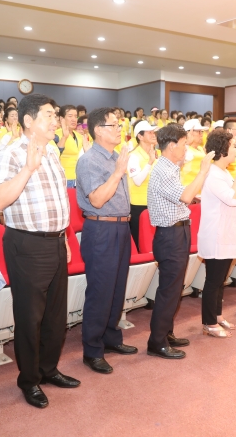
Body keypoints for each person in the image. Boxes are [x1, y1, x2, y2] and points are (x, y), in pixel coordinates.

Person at [0, 94, 80, 409]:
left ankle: (49, 369)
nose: (56, 120)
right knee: (30, 317)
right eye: (49, 115)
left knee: (56, 316)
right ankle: (28, 380)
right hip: (27, 245)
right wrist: (28, 169)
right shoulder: (11, 153)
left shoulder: (53, 151)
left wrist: (64, 239)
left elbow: (57, 201)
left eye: (56, 115)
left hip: (55, 241)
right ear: (29, 121)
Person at [75, 108, 137, 374]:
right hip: (101, 230)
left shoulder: (114, 157)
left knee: (116, 289)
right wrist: (118, 172)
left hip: (121, 229)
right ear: (98, 129)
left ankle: (111, 338)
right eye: (114, 125)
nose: (119, 129)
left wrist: (119, 168)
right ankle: (92, 350)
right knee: (100, 292)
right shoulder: (90, 161)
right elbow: (98, 200)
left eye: (119, 124)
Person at [146, 123, 214, 359]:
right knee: (169, 289)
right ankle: (157, 341)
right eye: (184, 144)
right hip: (169, 235)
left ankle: (166, 333)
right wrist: (203, 171)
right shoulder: (163, 169)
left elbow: (182, 197)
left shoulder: (171, 167)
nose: (187, 148)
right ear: (172, 145)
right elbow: (184, 196)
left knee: (175, 288)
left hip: (178, 232)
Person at [198, 129, 236, 337]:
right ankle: (208, 322)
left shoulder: (223, 172)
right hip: (216, 235)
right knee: (213, 280)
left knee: (220, 280)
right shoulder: (214, 174)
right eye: (233, 146)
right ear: (223, 149)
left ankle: (216, 315)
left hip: (225, 233)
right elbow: (232, 198)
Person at [127, 120, 158, 244]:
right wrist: (150, 162)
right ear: (140, 136)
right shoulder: (133, 156)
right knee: (140, 241)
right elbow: (138, 181)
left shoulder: (153, 153)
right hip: (138, 206)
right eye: (149, 132)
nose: (153, 134)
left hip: (153, 204)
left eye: (153, 132)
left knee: (152, 241)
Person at [56, 105, 89, 188]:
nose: (74, 119)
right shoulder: (56, 135)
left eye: (75, 116)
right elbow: (55, 154)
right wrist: (64, 137)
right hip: (64, 177)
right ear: (61, 119)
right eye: (70, 116)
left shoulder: (80, 136)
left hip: (79, 177)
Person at [181, 118, 207, 185]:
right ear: (188, 133)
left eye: (202, 131)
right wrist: (186, 143)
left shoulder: (200, 148)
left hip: (201, 188)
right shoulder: (184, 149)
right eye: (198, 131)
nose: (201, 134)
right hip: (188, 188)